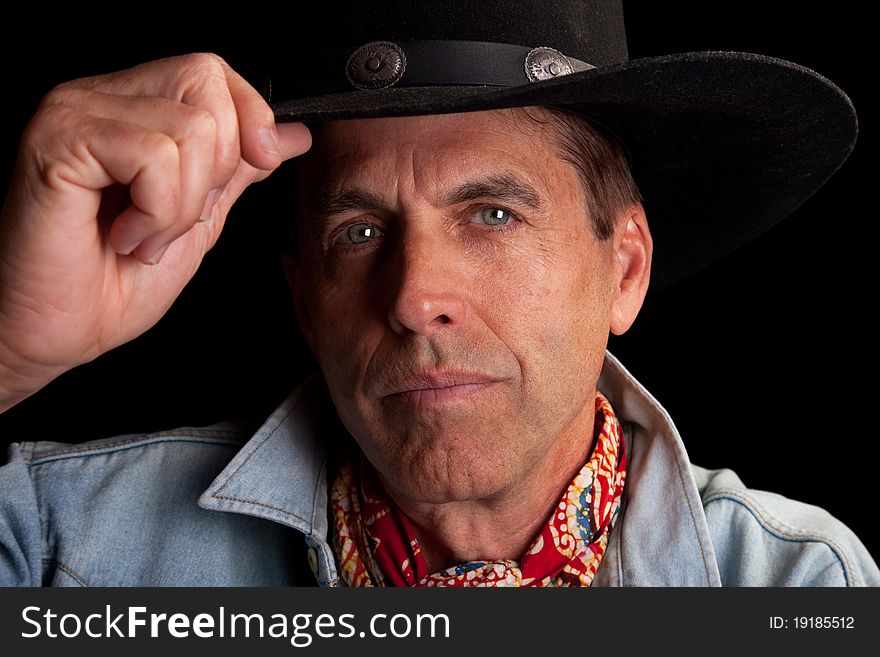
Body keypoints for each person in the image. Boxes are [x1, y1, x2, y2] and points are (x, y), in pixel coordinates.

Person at [0, 0, 877, 586]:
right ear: (305, 302)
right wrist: (10, 345)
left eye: (491, 213)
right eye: (358, 231)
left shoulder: (791, 580)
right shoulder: (62, 540)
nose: (415, 297)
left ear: (626, 267)